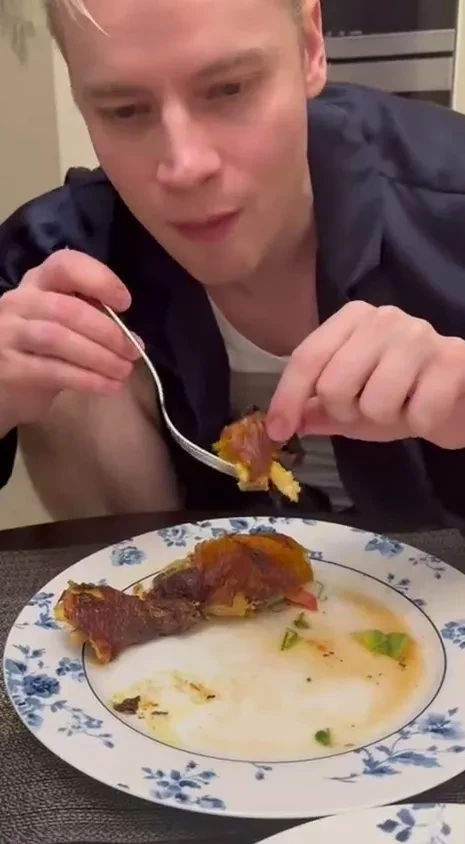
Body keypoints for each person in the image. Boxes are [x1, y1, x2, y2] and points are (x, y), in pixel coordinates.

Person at [1, 0, 465, 528]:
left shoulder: (449, 203)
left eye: (229, 89)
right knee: (61, 336)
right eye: (125, 111)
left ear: (311, 46)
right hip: (185, 564)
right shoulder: (56, 252)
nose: (185, 166)